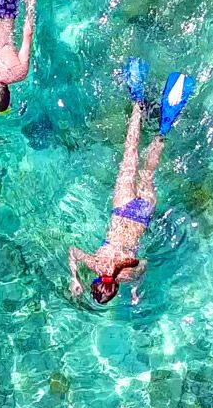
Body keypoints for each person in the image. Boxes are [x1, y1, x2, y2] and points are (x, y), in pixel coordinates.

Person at [69, 61, 195, 306]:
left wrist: (136, 289)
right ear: (96, 283)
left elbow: (144, 265)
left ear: (115, 289)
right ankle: (138, 106)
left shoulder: (126, 276)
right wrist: (74, 278)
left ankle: (162, 130)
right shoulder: (96, 264)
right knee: (130, 154)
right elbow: (73, 251)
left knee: (148, 170)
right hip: (123, 208)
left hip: (141, 216)